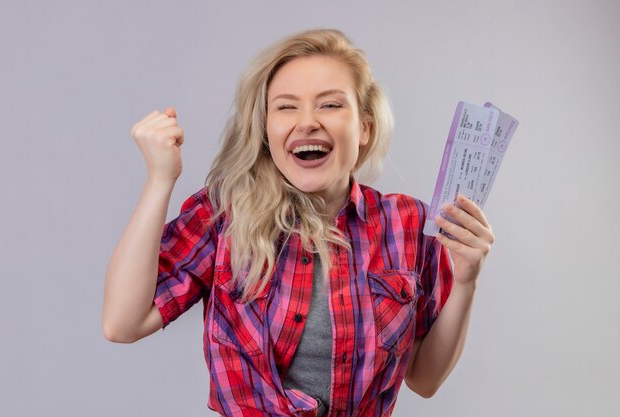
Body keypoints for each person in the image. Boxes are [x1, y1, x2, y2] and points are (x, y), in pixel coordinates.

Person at [102, 29, 495, 417]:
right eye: (286, 106)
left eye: (330, 105)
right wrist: (159, 180)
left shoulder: (408, 224)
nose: (307, 122)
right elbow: (123, 323)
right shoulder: (223, 216)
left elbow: (425, 380)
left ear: (365, 128)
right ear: (266, 130)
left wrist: (466, 281)